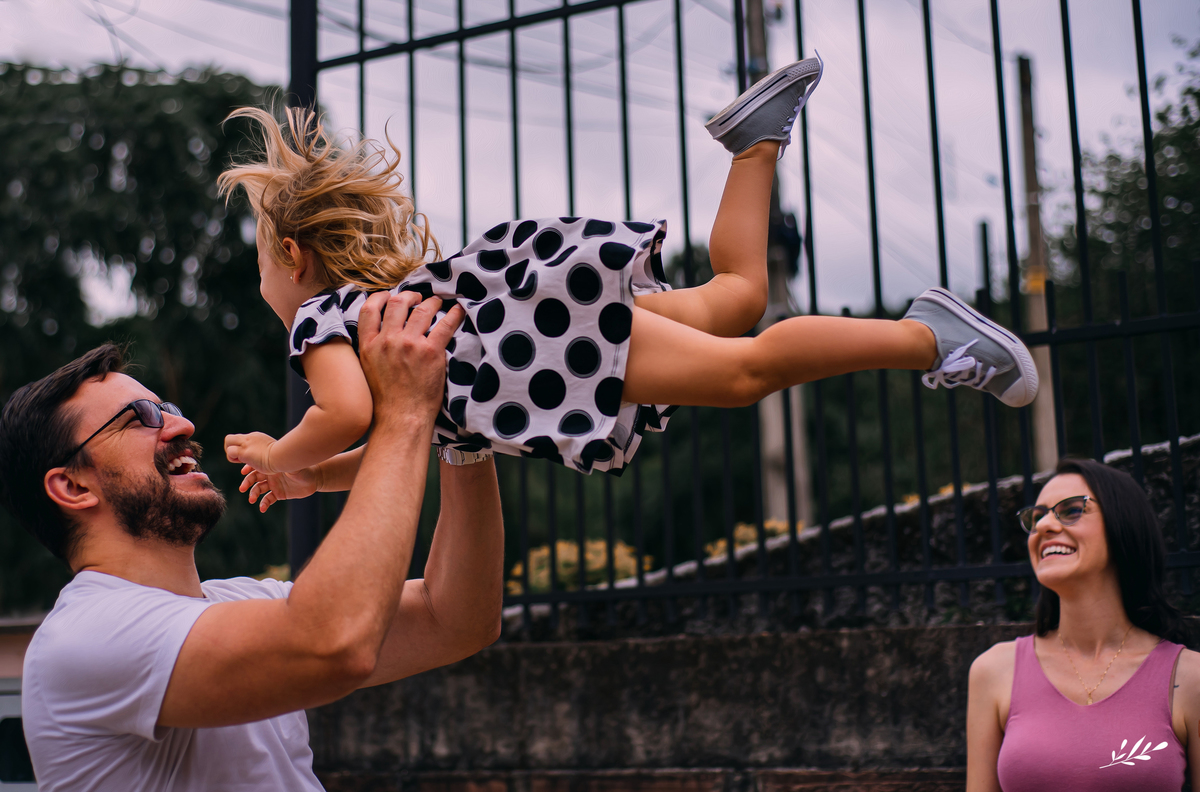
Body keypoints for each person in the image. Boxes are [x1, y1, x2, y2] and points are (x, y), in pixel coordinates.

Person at [219, 54, 1037, 496]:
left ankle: (928, 337)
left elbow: (346, 411)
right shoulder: (377, 319)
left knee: (746, 372)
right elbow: (395, 442)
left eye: (259, 262)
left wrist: (281, 452)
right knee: (737, 297)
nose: (262, 285)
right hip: (543, 326)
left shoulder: (320, 322)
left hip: (547, 349)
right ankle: (756, 142)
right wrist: (313, 480)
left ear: (292, 256)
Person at [0, 290, 502, 792]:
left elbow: (454, 618)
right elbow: (333, 644)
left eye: (167, 408)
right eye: (140, 417)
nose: (182, 425)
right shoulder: (86, 636)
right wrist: (406, 412)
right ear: (73, 486)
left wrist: (461, 441)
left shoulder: (243, 602)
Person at [966, 458, 1200, 792]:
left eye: (1072, 510)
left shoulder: (1191, 679)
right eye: (1037, 516)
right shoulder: (994, 671)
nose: (1044, 525)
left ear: (1123, 525)